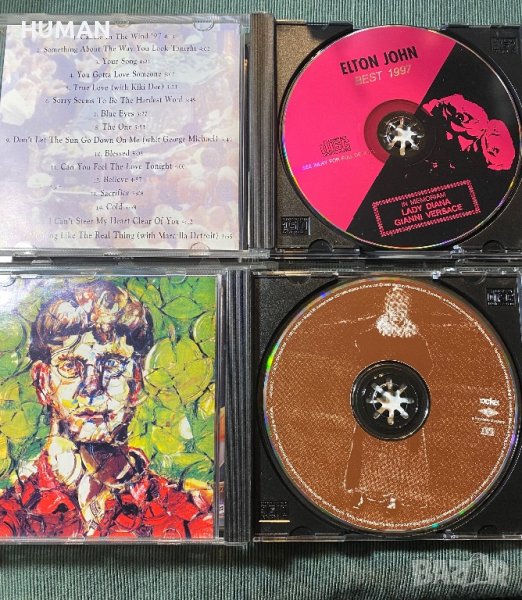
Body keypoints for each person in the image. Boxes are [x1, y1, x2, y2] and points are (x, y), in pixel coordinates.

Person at [0, 281, 212, 539]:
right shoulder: (9, 516)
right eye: (70, 367)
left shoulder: (191, 514)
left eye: (111, 365)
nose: (92, 388)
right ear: (43, 382)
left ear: (136, 381)